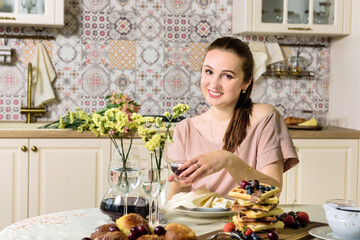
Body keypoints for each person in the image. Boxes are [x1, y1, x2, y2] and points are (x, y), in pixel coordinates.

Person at [167, 36, 299, 199]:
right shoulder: (185, 129)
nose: (214, 84)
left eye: (227, 76)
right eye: (209, 72)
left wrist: (228, 160)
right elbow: (175, 203)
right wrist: (180, 185)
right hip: (197, 225)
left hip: (244, 222)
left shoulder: (264, 118)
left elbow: (272, 193)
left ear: (246, 82)